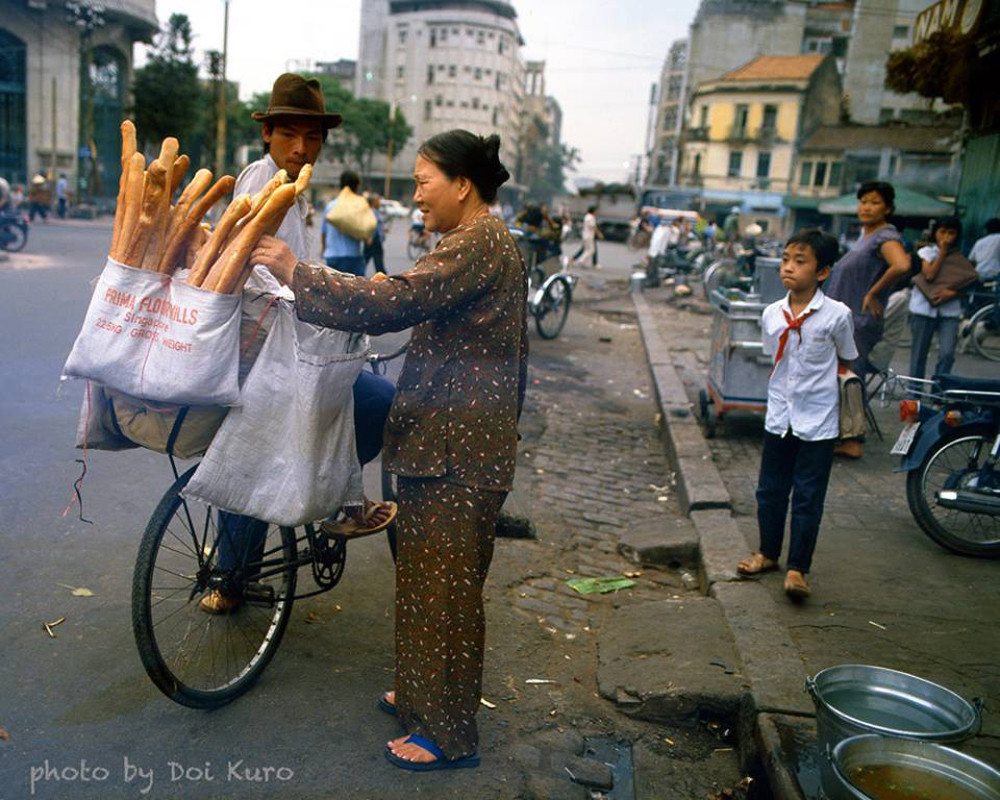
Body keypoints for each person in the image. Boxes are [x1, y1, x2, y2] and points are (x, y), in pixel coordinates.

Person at [251, 129, 527, 771]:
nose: (417, 196)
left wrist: (296, 272)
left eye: (424, 183)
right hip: (446, 439)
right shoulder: (471, 239)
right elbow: (416, 296)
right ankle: (423, 695)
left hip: (460, 447)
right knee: (426, 577)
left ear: (463, 185)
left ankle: (448, 734)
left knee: (447, 591)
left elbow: (399, 300)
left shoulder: (478, 241)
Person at [201, 73, 395, 614]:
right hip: (265, 349)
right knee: (376, 401)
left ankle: (239, 570)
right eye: (289, 134)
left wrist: (347, 288)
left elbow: (301, 268)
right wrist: (320, 300)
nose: (301, 147)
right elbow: (256, 271)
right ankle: (327, 500)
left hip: (285, 345)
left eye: (312, 138)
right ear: (268, 134)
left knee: (260, 453)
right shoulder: (263, 185)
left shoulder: (297, 194)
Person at [737, 229, 857, 600]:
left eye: (800, 261)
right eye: (786, 259)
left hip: (818, 421)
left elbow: (847, 355)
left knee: (808, 496)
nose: (788, 267)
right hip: (779, 416)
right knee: (770, 491)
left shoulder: (837, 315)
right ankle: (767, 553)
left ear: (822, 272)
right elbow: (773, 355)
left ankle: (798, 568)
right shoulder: (772, 314)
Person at [823, 181, 911, 459]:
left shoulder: (886, 236)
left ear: (888, 208)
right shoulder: (867, 236)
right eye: (863, 201)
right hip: (848, 318)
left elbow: (902, 265)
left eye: (875, 202)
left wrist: (874, 292)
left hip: (859, 320)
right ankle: (843, 433)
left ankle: (854, 440)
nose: (867, 207)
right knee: (842, 374)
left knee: (852, 375)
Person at [908, 217, 977, 381]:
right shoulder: (926, 252)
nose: (946, 237)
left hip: (949, 312)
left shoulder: (960, 258)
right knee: (919, 353)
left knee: (947, 353)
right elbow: (929, 275)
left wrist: (952, 293)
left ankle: (939, 389)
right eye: (942, 232)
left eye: (951, 233)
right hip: (923, 309)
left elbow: (968, 283)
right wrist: (942, 253)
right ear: (935, 233)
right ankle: (914, 390)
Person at [321, 170, 367, 277]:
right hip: (352, 256)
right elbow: (365, 230)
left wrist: (323, 248)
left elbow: (324, 232)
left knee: (334, 286)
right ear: (357, 186)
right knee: (355, 286)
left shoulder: (330, 206)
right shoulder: (359, 205)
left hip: (332, 256)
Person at [363, 193, 386, 275]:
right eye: (378, 200)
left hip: (374, 239)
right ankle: (383, 279)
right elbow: (372, 225)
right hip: (373, 240)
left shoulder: (375, 211)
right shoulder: (372, 211)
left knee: (366, 261)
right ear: (373, 202)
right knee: (378, 264)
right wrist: (371, 237)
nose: (380, 202)